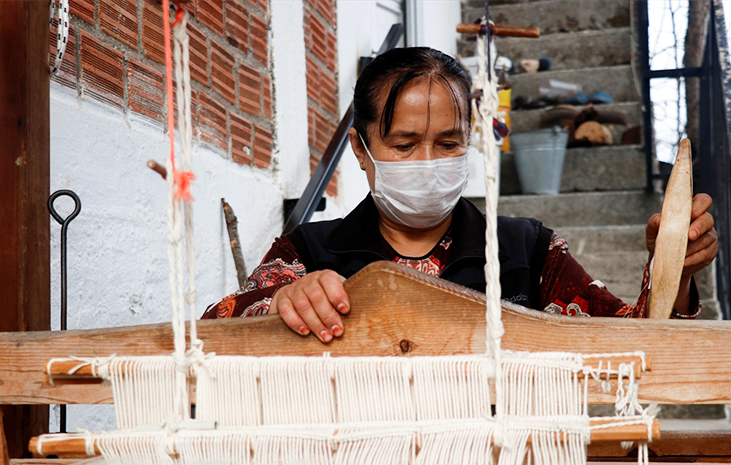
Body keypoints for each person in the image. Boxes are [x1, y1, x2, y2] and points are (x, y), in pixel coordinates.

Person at [203, 47, 718, 343]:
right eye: (404, 144)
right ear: (361, 149)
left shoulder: (526, 253)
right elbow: (215, 334)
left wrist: (674, 267)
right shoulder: (309, 254)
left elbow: (630, 341)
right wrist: (281, 301)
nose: (428, 162)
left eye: (448, 143)